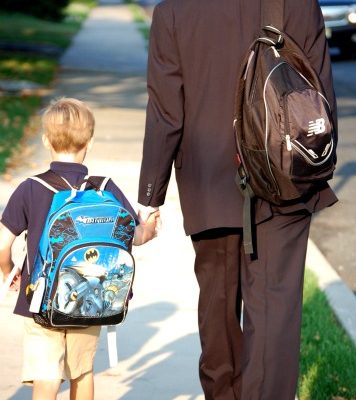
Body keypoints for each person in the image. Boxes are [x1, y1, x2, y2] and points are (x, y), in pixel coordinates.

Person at [138, 0, 338, 399]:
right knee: (274, 314)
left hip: (209, 183)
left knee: (217, 307)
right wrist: (316, 168)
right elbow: (320, 98)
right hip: (284, 180)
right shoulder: (298, 4)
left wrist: (150, 195)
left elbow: (166, 114)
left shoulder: (174, 12)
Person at [0, 97, 159, 400]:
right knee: (82, 372)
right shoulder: (104, 188)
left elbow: (2, 244)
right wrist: (150, 227)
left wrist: (9, 273)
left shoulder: (31, 188)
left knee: (47, 376)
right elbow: (134, 236)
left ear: (45, 140)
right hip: (92, 299)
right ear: (90, 140)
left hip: (40, 300)